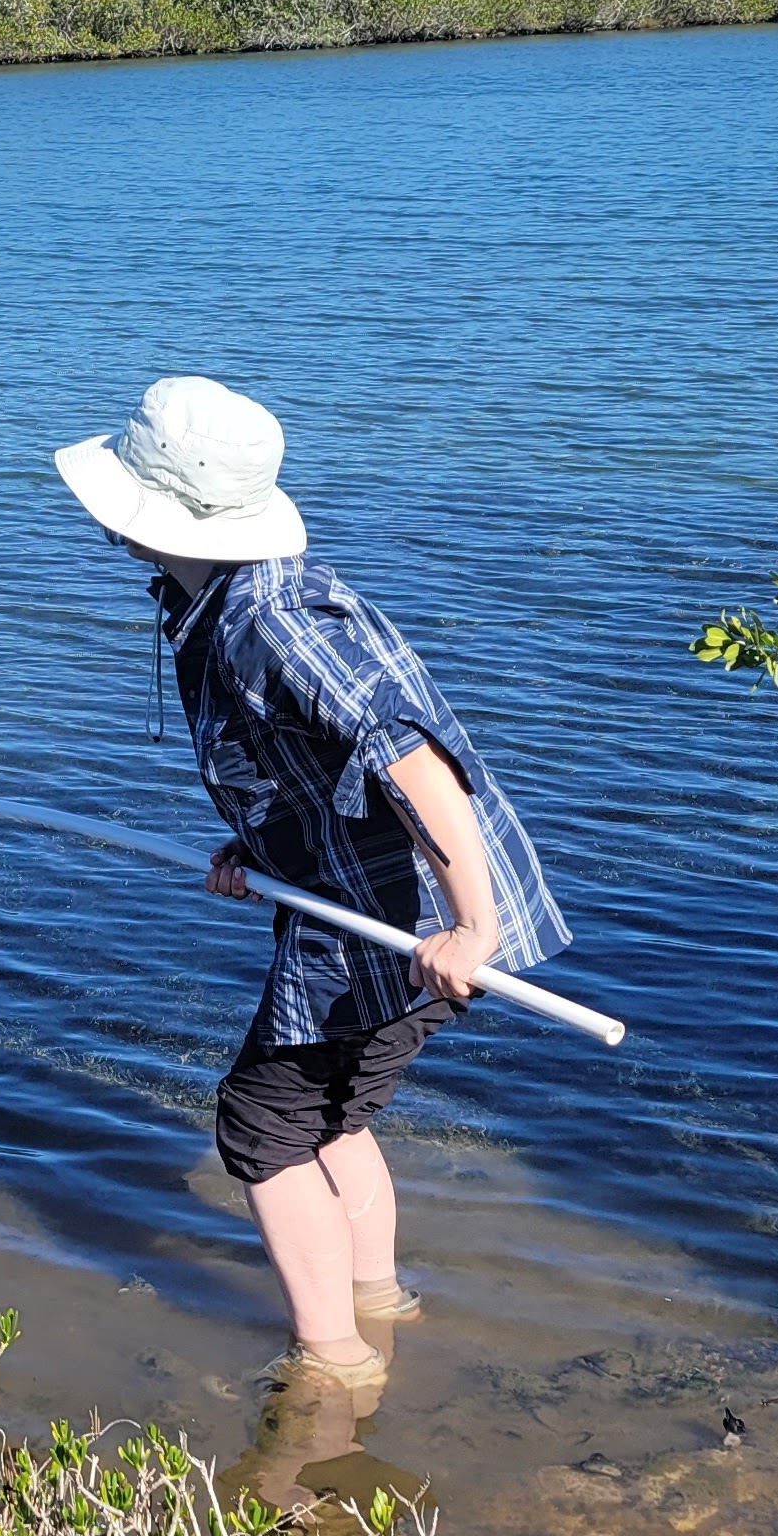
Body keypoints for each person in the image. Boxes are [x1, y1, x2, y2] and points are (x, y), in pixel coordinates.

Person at [55, 375, 574, 1405]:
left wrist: (473, 925)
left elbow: (411, 760)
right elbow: (301, 758)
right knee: (332, 1115)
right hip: (354, 895)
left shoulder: (276, 621)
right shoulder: (217, 598)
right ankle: (380, 1300)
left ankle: (332, 1364)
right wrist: (259, 850)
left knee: (258, 1125)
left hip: (406, 920)